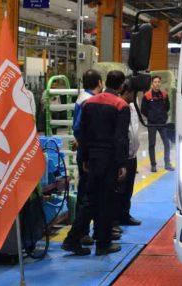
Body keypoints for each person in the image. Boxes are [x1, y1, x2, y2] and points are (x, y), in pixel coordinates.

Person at [77, 70, 130, 256]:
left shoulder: (89, 102)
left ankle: (73, 239)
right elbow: (120, 138)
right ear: (121, 85)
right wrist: (122, 163)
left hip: (92, 157)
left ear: (105, 82)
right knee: (107, 201)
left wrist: (84, 157)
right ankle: (103, 244)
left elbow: (82, 133)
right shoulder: (121, 105)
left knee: (90, 199)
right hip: (109, 159)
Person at [62, 69, 105, 256]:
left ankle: (84, 232)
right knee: (87, 195)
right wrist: (84, 146)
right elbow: (80, 127)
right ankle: (81, 234)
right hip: (88, 154)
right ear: (100, 82)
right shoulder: (89, 101)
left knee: (86, 194)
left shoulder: (83, 98)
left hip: (84, 152)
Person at [116, 79, 142, 227]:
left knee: (128, 189)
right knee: (119, 189)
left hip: (132, 155)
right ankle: (114, 220)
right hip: (122, 155)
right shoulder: (118, 105)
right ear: (126, 91)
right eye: (133, 93)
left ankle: (125, 215)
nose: (135, 96)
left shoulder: (133, 104)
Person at [141, 75, 174, 173]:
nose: (157, 84)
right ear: (152, 83)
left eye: (159, 82)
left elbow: (167, 107)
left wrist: (163, 116)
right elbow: (143, 110)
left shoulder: (164, 95)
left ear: (160, 83)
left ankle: (167, 163)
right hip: (152, 124)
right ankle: (153, 165)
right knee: (152, 144)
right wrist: (151, 116)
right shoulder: (147, 96)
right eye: (155, 82)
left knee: (167, 143)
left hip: (162, 123)